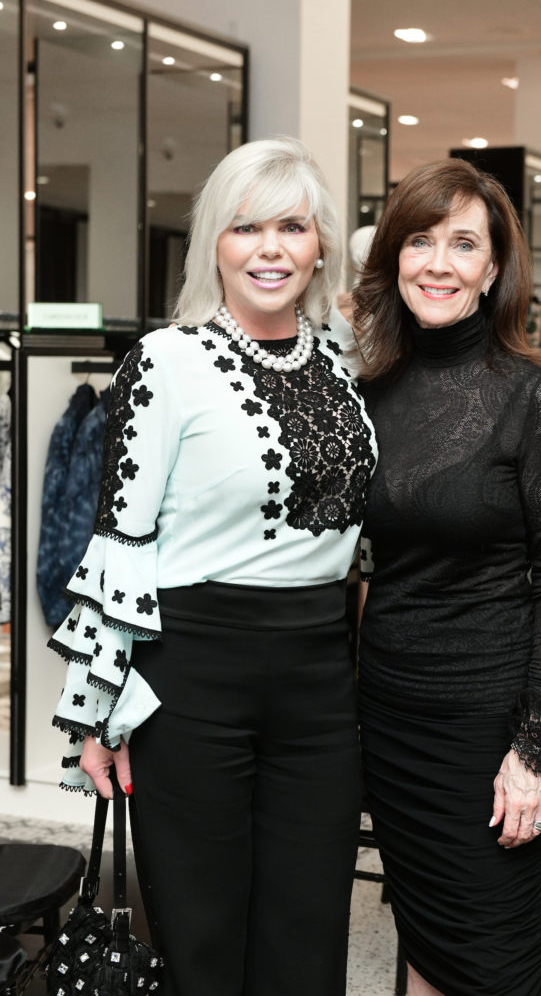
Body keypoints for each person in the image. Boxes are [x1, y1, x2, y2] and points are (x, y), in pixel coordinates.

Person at [49, 136, 377, 996]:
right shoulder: (166, 361)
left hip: (316, 677)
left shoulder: (349, 363)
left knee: (309, 928)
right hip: (192, 676)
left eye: (291, 228)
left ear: (319, 245)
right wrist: (96, 715)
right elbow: (120, 540)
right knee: (201, 934)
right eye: (245, 228)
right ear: (215, 246)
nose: (270, 249)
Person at [353, 158, 541, 996]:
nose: (438, 263)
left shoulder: (532, 397)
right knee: (424, 939)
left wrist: (531, 749)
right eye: (419, 240)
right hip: (390, 717)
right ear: (394, 258)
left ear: (493, 269)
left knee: (502, 954)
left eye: (463, 244)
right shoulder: (370, 392)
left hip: (484, 726)